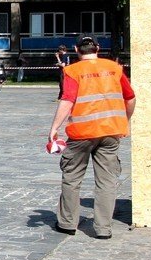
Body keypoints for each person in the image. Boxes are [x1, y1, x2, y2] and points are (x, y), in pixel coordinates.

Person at [47, 36, 135, 239]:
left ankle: (68, 223)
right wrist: (125, 121)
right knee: (106, 181)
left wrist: (54, 128)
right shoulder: (114, 68)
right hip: (110, 132)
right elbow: (130, 98)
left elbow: (67, 100)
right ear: (98, 48)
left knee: (72, 177)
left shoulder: (73, 70)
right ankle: (103, 228)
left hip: (82, 133)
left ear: (76, 49)